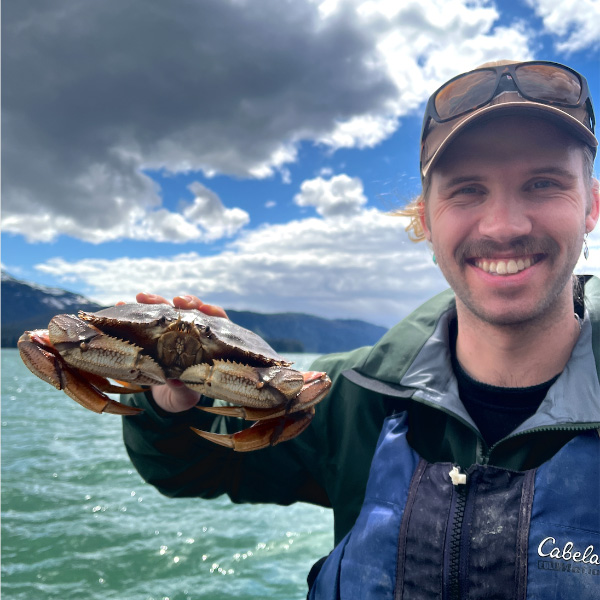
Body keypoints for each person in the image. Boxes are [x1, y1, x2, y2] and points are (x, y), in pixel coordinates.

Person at [121, 60, 600, 599]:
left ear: (591, 206)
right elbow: (192, 469)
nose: (504, 225)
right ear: (425, 218)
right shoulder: (345, 399)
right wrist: (172, 400)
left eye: (542, 183)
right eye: (467, 190)